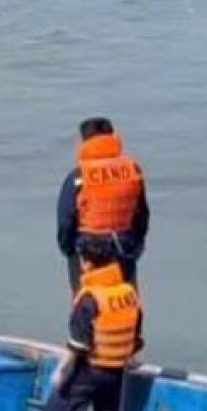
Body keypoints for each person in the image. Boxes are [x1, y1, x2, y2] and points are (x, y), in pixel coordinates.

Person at [21, 244, 143, 411]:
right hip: (117, 371)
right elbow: (136, 335)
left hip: (90, 369)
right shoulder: (129, 293)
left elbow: (77, 345)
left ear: (87, 263)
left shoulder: (90, 298)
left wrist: (61, 372)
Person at [58, 117, 148, 291]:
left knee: (88, 302)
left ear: (84, 141)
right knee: (126, 300)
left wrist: (68, 250)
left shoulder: (79, 176)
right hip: (124, 246)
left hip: (88, 251)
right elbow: (142, 215)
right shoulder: (133, 171)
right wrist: (136, 244)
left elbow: (65, 221)